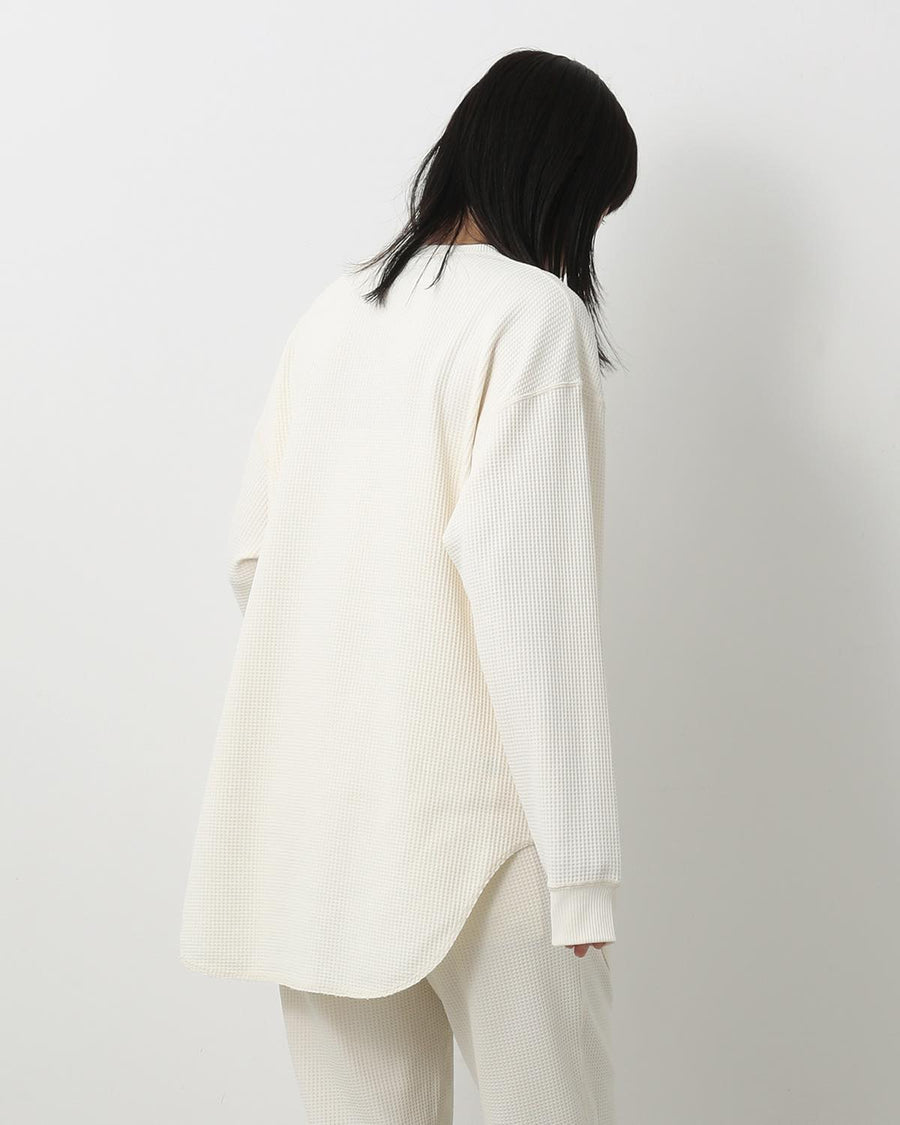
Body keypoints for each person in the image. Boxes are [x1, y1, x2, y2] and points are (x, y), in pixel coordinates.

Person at [179, 46, 637, 1125]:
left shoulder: (333, 313)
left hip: (325, 829)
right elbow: (533, 605)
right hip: (491, 835)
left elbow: (255, 557)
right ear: (562, 183)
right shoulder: (533, 316)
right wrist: (579, 869)